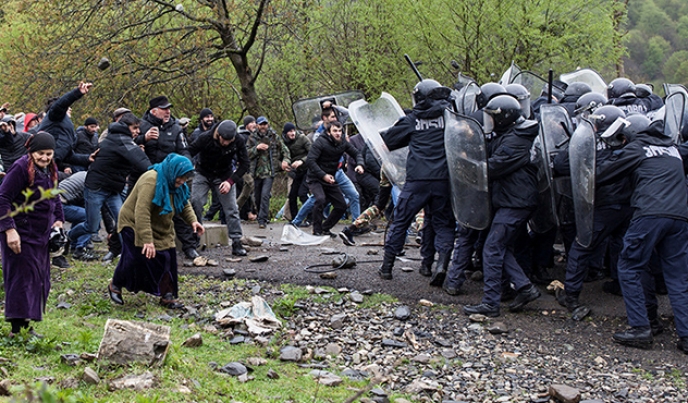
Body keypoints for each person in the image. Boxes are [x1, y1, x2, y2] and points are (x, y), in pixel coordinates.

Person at [596, 120, 688, 353]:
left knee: (629, 267)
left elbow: (603, 174)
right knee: (678, 277)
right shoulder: (673, 149)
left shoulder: (637, 148)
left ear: (630, 135)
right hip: (680, 217)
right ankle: (686, 336)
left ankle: (640, 328)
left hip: (649, 214)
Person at [463, 95, 541, 317]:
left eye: (492, 117)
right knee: (501, 247)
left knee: (492, 248)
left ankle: (491, 303)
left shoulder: (515, 141)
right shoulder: (509, 134)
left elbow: (493, 167)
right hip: (511, 199)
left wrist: (466, 166)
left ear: (504, 118)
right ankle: (525, 287)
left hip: (516, 202)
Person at [378, 79, 456, 285]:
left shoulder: (412, 119)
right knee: (442, 224)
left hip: (417, 180)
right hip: (442, 180)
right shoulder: (450, 116)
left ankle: (386, 267)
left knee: (401, 220)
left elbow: (387, 141)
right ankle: (439, 265)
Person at [108, 154, 203, 309]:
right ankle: (115, 284)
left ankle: (167, 296)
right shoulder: (151, 180)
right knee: (135, 257)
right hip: (133, 222)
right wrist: (147, 240)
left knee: (167, 259)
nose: (182, 182)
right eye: (180, 178)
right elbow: (141, 211)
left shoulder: (176, 184)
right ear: (174, 172)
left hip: (160, 223)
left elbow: (183, 202)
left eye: (185, 179)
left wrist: (193, 221)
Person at [0, 132, 64, 336]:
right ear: (31, 152)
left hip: (40, 235)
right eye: (40, 154)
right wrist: (10, 230)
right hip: (20, 232)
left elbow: (55, 198)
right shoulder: (20, 168)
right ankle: (17, 329)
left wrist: (59, 220)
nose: (45, 158)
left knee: (38, 278)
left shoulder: (51, 169)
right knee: (21, 279)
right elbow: (2, 198)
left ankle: (28, 324)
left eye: (49, 154)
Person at [68, 112, 151, 261]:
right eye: (135, 128)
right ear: (125, 127)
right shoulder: (120, 139)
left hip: (113, 189)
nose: (137, 131)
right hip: (96, 188)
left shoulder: (120, 138)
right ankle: (68, 237)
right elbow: (141, 160)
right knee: (91, 227)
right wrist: (156, 171)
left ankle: (127, 254)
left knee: (122, 222)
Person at [136, 95, 198, 259]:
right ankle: (121, 247)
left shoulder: (176, 128)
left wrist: (187, 166)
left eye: (169, 108)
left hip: (171, 178)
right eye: (164, 109)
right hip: (146, 177)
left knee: (178, 208)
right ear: (153, 111)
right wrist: (144, 138)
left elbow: (184, 150)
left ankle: (189, 246)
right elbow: (129, 144)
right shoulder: (141, 125)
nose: (168, 111)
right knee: (137, 211)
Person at [189, 120, 249, 256]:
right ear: (218, 135)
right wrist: (187, 167)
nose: (226, 143)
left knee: (231, 208)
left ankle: (236, 241)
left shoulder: (238, 140)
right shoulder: (205, 138)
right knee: (196, 202)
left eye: (229, 141)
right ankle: (193, 239)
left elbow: (245, 164)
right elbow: (188, 151)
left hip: (224, 175)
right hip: (203, 173)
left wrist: (230, 181)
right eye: (224, 140)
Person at [305, 121, 364, 236]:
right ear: (328, 132)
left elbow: (357, 153)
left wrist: (360, 164)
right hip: (315, 177)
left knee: (341, 205)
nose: (338, 133)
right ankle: (316, 230)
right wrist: (323, 175)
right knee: (320, 199)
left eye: (339, 131)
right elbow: (310, 161)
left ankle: (325, 228)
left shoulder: (343, 142)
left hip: (331, 178)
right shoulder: (321, 142)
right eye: (335, 131)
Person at [37, 82, 93, 173]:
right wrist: (77, 92)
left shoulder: (65, 124)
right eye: (68, 107)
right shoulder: (54, 116)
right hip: (43, 162)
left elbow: (68, 155)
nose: (70, 109)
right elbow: (61, 104)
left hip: (52, 164)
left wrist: (87, 158)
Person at [247, 116, 290, 228]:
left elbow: (285, 150)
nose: (263, 126)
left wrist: (285, 160)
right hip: (256, 172)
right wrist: (257, 148)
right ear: (257, 125)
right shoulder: (252, 138)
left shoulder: (274, 137)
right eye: (261, 124)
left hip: (270, 172)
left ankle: (262, 220)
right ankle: (261, 215)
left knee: (265, 195)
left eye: (265, 124)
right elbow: (246, 153)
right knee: (257, 197)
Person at [281, 122, 311, 222]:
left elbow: (313, 153)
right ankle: (294, 220)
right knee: (292, 195)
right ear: (285, 133)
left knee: (302, 193)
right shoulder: (283, 143)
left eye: (293, 130)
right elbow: (280, 156)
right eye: (290, 131)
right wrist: (284, 164)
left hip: (308, 169)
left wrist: (301, 161)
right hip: (296, 172)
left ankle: (311, 217)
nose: (293, 133)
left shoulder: (302, 138)